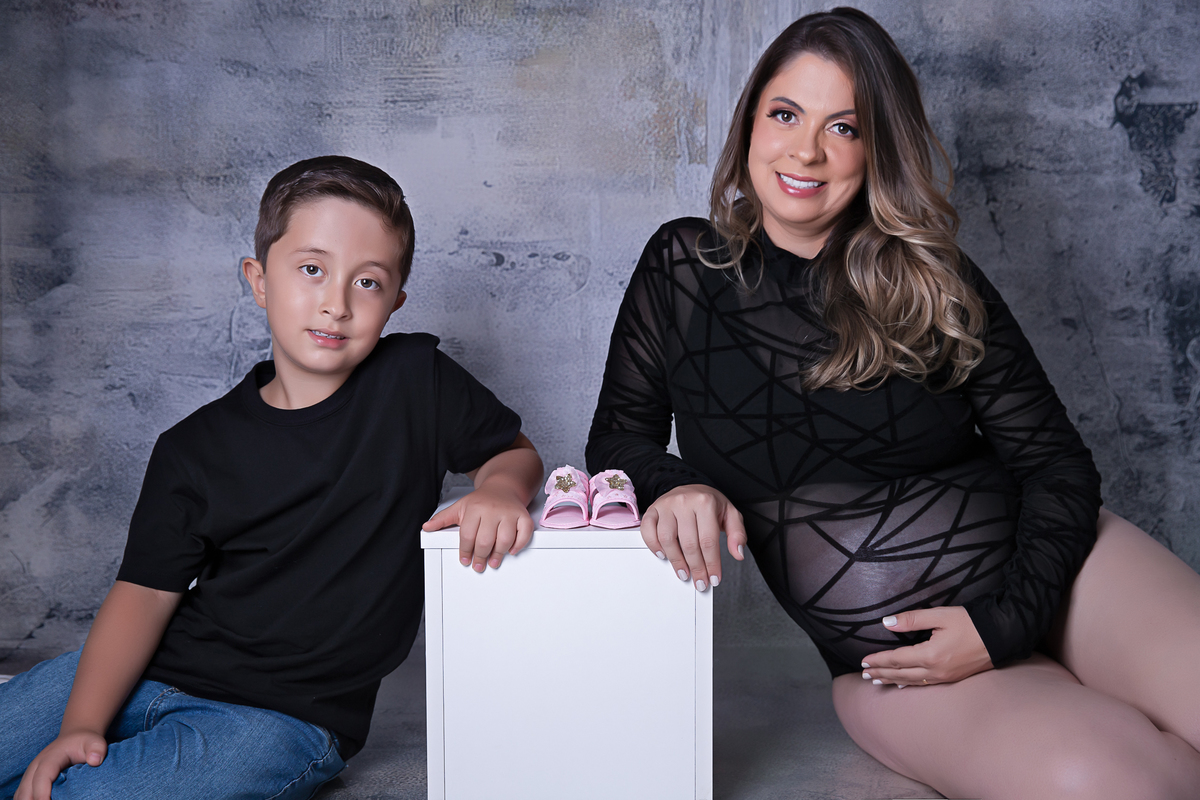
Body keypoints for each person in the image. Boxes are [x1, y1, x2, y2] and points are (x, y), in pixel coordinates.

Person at [586, 8, 1200, 799]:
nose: (806, 150)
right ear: (750, 125)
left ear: (877, 150)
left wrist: (1003, 625)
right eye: (785, 115)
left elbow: (1055, 466)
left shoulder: (932, 279)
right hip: (902, 663)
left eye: (843, 127)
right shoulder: (681, 267)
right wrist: (677, 485)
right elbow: (619, 439)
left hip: (1067, 572)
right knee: (1126, 782)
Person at [0, 155, 544, 800]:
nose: (336, 304)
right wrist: (82, 725)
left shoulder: (415, 382)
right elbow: (144, 594)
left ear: (395, 301)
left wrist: (499, 489)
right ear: (259, 280)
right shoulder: (193, 447)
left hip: (280, 718)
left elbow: (513, 452)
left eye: (367, 282)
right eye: (312, 270)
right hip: (153, 669)